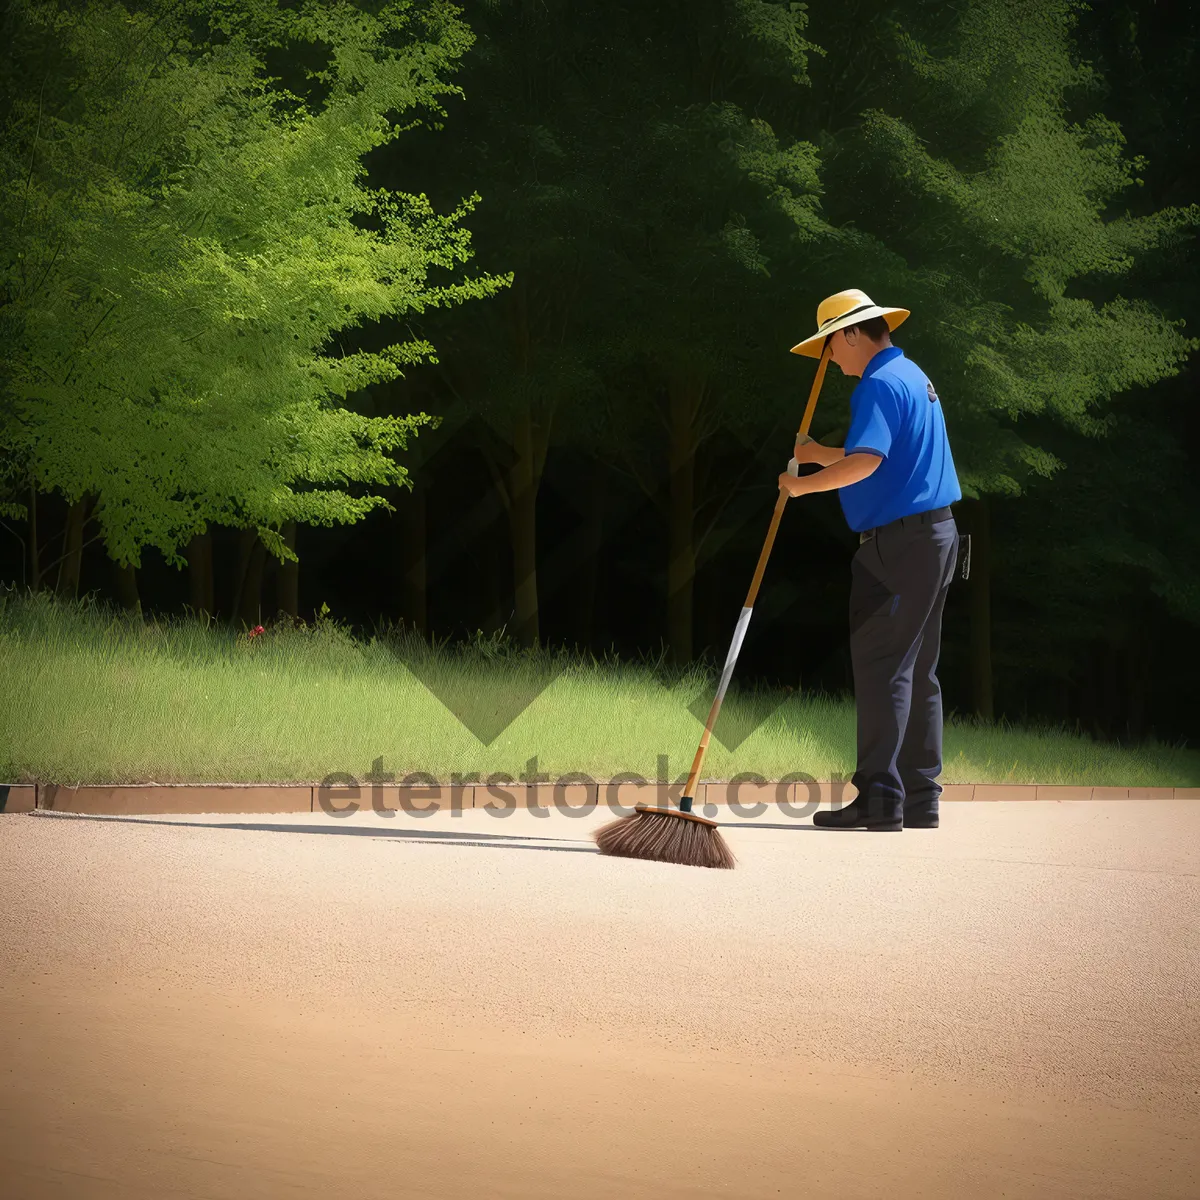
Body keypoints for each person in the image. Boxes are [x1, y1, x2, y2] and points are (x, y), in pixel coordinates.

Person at [779, 288, 962, 831]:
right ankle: (920, 798)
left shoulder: (877, 386)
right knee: (919, 671)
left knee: (884, 667)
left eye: (831, 347)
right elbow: (878, 455)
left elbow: (865, 466)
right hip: (937, 536)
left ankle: (880, 798)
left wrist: (801, 485)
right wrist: (818, 455)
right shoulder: (911, 376)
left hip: (897, 548)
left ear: (851, 333)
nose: (832, 361)